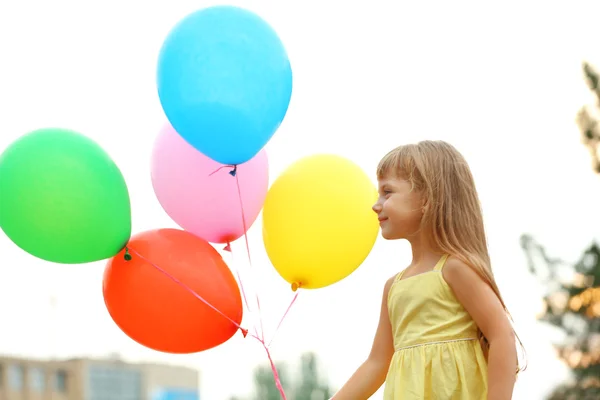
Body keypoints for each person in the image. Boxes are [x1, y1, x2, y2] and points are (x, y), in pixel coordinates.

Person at [331, 141, 525, 400]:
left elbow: (501, 335)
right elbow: (377, 363)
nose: (376, 205)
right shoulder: (393, 286)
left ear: (427, 198)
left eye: (387, 192)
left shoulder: (455, 270)